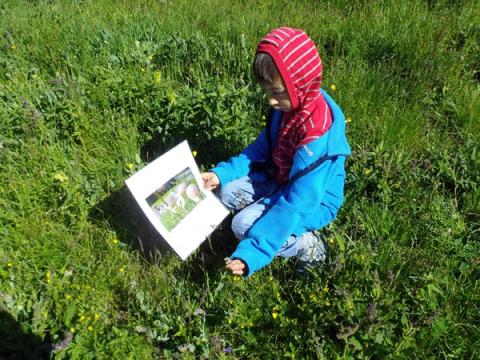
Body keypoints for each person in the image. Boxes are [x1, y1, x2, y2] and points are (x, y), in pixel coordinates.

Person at [201, 27, 351, 277]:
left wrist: (254, 251)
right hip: (279, 177)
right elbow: (261, 150)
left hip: (312, 201)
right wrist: (221, 174)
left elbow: (296, 203)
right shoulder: (288, 108)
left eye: (277, 92)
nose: (271, 100)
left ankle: (309, 246)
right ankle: (260, 216)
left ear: (301, 85)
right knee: (225, 191)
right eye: (268, 91)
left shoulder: (318, 140)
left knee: (242, 226)